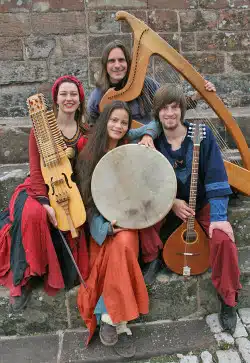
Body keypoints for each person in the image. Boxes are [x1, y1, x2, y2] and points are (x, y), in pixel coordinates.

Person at [140, 84, 241, 335]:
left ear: (182, 110)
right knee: (142, 215)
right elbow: (149, 184)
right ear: (157, 113)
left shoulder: (202, 135)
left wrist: (219, 218)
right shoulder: (153, 142)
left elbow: (217, 176)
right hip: (168, 204)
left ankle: (228, 299)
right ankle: (152, 259)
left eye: (175, 107)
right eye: (164, 108)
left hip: (202, 204)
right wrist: (171, 202)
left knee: (223, 240)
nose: (170, 113)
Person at [76, 100, 162, 358]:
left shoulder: (127, 144)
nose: (119, 125)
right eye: (114, 120)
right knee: (118, 248)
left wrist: (147, 133)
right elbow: (86, 203)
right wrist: (103, 227)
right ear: (105, 121)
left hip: (128, 220)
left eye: (124, 122)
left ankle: (109, 316)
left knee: (124, 243)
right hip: (100, 224)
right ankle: (112, 315)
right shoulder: (89, 152)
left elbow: (157, 122)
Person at [0, 75, 89, 312]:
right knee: (33, 214)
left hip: (68, 187)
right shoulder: (38, 131)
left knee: (75, 218)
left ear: (80, 100)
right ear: (56, 100)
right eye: (64, 94)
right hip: (38, 187)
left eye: (73, 94)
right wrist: (44, 202)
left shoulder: (85, 131)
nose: (69, 98)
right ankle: (26, 278)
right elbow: (35, 171)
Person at [87, 40, 206, 126]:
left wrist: (196, 96)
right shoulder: (98, 95)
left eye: (121, 60)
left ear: (128, 63)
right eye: (112, 61)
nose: (117, 65)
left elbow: (170, 102)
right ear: (105, 65)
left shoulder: (146, 84)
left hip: (150, 146)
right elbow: (92, 127)